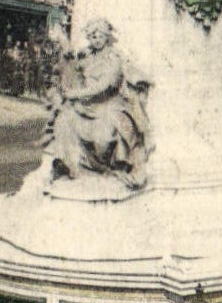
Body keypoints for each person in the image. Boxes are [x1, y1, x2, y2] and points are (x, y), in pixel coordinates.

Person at [46, 19, 152, 190]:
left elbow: (104, 85)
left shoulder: (113, 58)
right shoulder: (87, 56)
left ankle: (117, 163)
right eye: (93, 36)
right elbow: (74, 70)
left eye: (100, 36)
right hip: (88, 105)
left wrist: (77, 94)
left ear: (107, 37)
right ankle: (65, 162)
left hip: (110, 103)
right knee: (65, 118)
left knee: (106, 129)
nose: (96, 40)